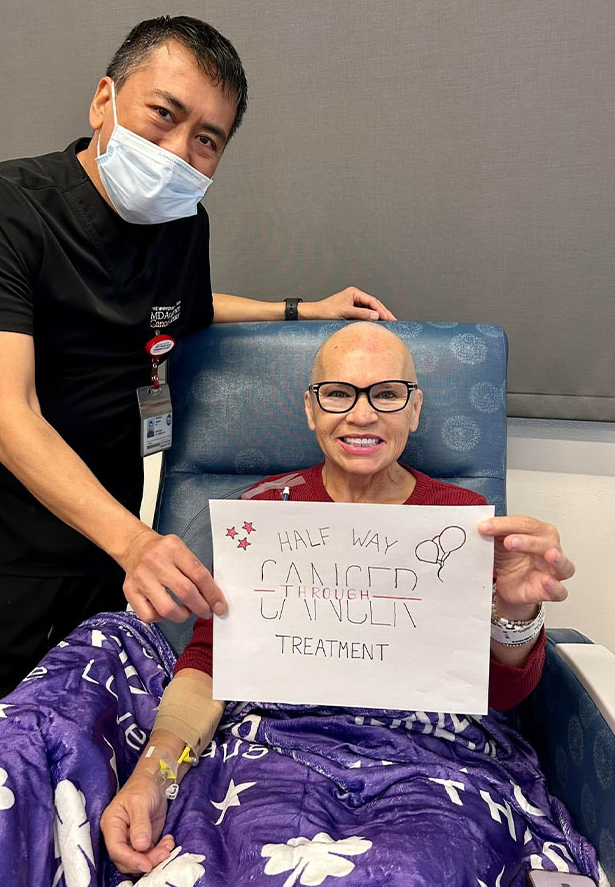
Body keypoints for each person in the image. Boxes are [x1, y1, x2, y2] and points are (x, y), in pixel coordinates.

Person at [0, 16, 396, 736]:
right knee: (6, 734)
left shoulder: (182, 222)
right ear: (104, 101)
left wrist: (300, 309)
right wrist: (137, 544)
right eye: (164, 115)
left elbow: (185, 309)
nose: (178, 152)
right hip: (1, 536)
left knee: (89, 723)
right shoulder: (5, 206)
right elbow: (7, 412)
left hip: (105, 525)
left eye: (207, 140)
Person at [100, 323, 579, 881]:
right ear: (311, 409)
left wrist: (515, 614)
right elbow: (212, 663)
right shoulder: (264, 513)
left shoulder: (464, 521)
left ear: (415, 408)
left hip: (427, 759)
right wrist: (152, 775)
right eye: (338, 393)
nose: (361, 414)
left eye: (387, 393)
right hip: (276, 751)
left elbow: (497, 695)